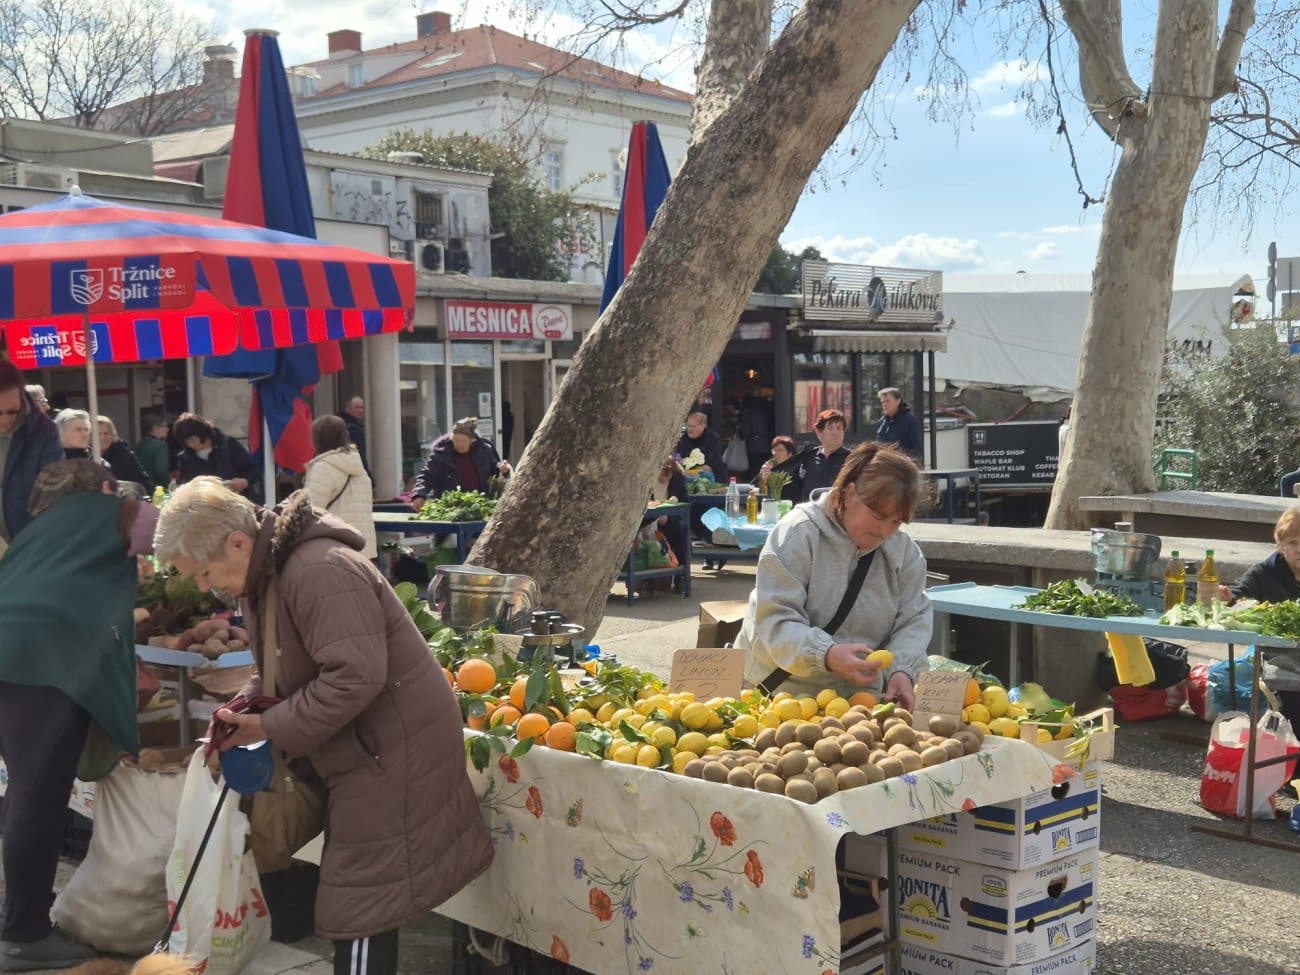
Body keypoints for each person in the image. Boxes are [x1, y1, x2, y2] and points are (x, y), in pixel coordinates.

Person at [153, 479, 493, 975]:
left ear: (238, 542)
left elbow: (354, 677)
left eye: (204, 573)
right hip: (364, 745)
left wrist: (269, 723)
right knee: (360, 900)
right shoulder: (266, 574)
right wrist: (246, 708)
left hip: (391, 749)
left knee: (359, 907)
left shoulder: (317, 570)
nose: (205, 587)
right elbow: (285, 666)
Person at [0, 460, 158, 971]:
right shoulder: (119, 512)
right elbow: (186, 530)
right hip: (46, 657)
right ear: (106, 487)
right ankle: (24, 934)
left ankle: (18, 918)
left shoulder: (40, 525)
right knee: (38, 794)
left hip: (9, 647)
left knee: (24, 786)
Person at [737, 442, 932, 708]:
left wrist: (901, 669)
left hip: (862, 701)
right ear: (850, 494)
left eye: (896, 521)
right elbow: (776, 618)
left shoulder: (903, 552)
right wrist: (826, 653)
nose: (884, 530)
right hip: (783, 697)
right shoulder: (798, 533)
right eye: (877, 515)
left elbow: (913, 619)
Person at [0, 361, 63, 544]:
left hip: (28, 542)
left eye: (13, 411)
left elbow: (53, 493)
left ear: (22, 397)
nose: (5, 420)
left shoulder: (43, 432)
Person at [304, 415, 378, 560]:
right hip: (364, 549)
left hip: (336, 550)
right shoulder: (359, 467)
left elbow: (310, 512)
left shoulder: (322, 468)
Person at [409, 417, 511, 512]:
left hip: (480, 506)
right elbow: (426, 475)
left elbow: (496, 471)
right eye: (456, 440)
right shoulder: (441, 453)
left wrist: (503, 469)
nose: (459, 444)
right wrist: (419, 494)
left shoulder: (484, 450)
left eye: (463, 441)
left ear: (472, 440)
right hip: (449, 508)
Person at [172, 412, 260, 500]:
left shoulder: (228, 445)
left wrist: (245, 481)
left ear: (202, 433)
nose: (191, 444)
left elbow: (254, 470)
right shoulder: (185, 458)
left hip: (237, 500)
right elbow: (182, 485)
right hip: (205, 505)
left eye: (193, 440)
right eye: (186, 442)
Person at [1220, 508, 1300, 603]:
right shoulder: (1262, 574)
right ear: (1280, 547)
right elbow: (1238, 593)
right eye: (1292, 543)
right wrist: (1227, 597)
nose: (1299, 550)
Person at [798, 409, 851, 501]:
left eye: (839, 428)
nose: (835, 432)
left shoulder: (852, 459)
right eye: (830, 428)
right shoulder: (809, 457)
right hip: (810, 508)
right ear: (819, 432)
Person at [96, 416, 152, 489]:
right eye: (98, 434)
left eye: (106, 433)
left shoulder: (125, 454)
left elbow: (144, 482)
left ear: (112, 435)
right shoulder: (87, 457)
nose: (102, 437)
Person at [675, 411, 728, 482]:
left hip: (712, 478)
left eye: (693, 426)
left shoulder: (712, 438)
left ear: (703, 426)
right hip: (686, 478)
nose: (690, 429)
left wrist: (694, 468)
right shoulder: (683, 439)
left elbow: (711, 463)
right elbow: (678, 457)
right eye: (688, 426)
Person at [875, 387, 923, 460]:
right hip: (884, 464)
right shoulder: (882, 422)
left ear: (898, 401)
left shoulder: (909, 421)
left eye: (887, 401)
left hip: (901, 464)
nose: (884, 404)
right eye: (882, 402)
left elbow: (917, 450)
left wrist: (904, 463)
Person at [754, 435, 804, 502]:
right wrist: (763, 479)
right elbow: (754, 487)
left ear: (790, 453)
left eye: (779, 450)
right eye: (774, 450)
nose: (775, 453)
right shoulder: (769, 467)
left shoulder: (797, 467)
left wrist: (772, 477)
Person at [136, 413, 173, 489]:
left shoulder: (137, 445)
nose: (168, 429)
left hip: (141, 488)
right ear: (155, 428)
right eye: (165, 426)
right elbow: (161, 470)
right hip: (157, 489)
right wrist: (170, 485)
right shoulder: (160, 445)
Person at [339, 395, 370, 476]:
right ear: (348, 409)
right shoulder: (352, 429)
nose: (360, 410)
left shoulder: (345, 424)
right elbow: (359, 452)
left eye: (362, 407)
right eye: (357, 407)